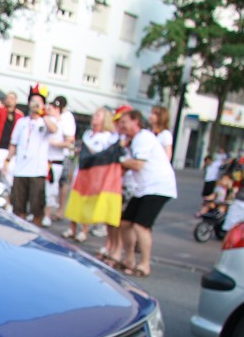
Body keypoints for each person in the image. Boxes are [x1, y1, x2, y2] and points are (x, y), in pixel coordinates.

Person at [115, 107, 177, 278]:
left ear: (136, 121)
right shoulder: (135, 139)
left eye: (125, 122)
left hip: (158, 186)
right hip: (143, 188)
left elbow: (137, 164)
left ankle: (144, 264)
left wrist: (119, 160)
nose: (122, 126)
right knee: (126, 222)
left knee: (141, 225)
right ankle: (129, 259)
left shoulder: (143, 138)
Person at [62, 107, 120, 246]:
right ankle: (72, 227)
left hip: (94, 173)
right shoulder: (87, 134)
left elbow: (104, 155)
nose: (95, 117)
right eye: (95, 115)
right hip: (81, 171)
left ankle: (84, 230)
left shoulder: (107, 137)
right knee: (76, 199)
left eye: (98, 115)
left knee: (88, 201)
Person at [4, 85, 59, 226]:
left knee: (37, 208)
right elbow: (13, 143)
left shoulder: (45, 121)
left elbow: (54, 129)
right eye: (33, 101)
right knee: (18, 207)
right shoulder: (22, 122)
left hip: (37, 172)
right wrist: (7, 161)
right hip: (20, 170)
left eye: (38, 101)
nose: (34, 104)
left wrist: (43, 113)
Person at [43, 96, 76, 227]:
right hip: (46, 158)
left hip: (62, 157)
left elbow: (70, 141)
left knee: (61, 183)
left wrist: (55, 143)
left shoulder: (67, 117)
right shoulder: (49, 117)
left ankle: (60, 210)